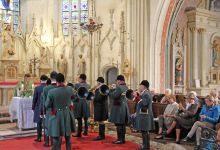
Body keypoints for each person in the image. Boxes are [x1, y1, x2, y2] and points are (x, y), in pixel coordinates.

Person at [45, 73, 75, 150]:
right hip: (67, 113)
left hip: (57, 115)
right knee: (68, 136)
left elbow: (47, 105)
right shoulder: (70, 89)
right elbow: (74, 98)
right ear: (64, 80)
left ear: (56, 81)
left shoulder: (51, 92)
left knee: (56, 135)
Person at [131, 80, 155, 150]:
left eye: (140, 86)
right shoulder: (144, 93)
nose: (139, 87)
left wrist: (137, 96)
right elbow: (140, 103)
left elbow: (144, 103)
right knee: (144, 130)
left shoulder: (146, 93)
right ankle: (146, 145)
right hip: (143, 114)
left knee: (144, 130)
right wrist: (138, 97)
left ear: (143, 86)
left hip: (145, 115)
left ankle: (145, 146)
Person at [109, 75, 129, 144]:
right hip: (124, 107)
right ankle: (122, 139)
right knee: (122, 124)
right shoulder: (126, 87)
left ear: (120, 81)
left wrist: (110, 90)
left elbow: (113, 96)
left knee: (119, 124)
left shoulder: (119, 88)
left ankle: (119, 139)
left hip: (118, 107)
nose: (117, 82)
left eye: (117, 81)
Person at [41, 71, 58, 147]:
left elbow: (44, 102)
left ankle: (47, 142)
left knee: (47, 126)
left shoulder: (46, 88)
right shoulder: (60, 87)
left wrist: (43, 111)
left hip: (49, 110)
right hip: (58, 111)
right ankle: (54, 143)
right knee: (56, 126)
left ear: (50, 78)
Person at [32, 75, 48, 142]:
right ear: (46, 80)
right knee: (47, 123)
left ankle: (39, 137)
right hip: (47, 107)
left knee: (39, 123)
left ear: (40, 80)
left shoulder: (37, 88)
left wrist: (33, 107)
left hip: (38, 106)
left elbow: (34, 98)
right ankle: (46, 138)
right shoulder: (48, 88)